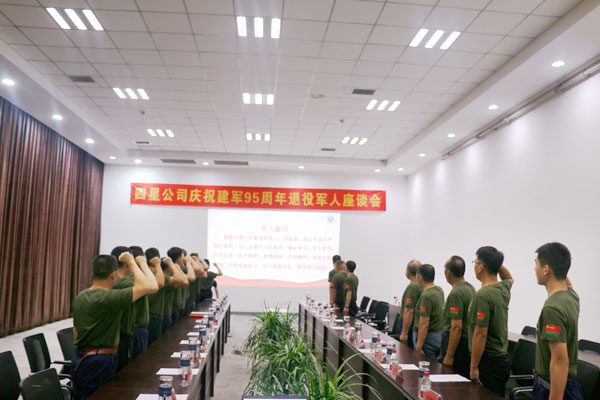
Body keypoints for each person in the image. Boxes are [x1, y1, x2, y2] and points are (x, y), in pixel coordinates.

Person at [71, 252, 158, 399]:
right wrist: (132, 262)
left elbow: (75, 331)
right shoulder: (110, 298)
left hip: (81, 357)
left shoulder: (80, 296)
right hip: (99, 361)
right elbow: (150, 286)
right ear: (113, 275)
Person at [533, 243, 583, 400]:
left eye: (536, 264)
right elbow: (566, 282)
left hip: (553, 387)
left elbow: (560, 361)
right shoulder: (571, 296)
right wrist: (561, 264)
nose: (534, 269)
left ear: (546, 269)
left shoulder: (553, 309)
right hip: (567, 385)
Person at [468, 246, 514, 397]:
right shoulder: (503, 288)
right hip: (501, 359)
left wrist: (474, 367)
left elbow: (480, 333)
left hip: (488, 361)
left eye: (475, 262)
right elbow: (509, 278)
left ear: (481, 267)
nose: (474, 266)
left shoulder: (483, 295)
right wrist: (496, 264)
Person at [441, 256, 476, 378]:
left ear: (448, 272)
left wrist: (449, 355)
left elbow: (456, 327)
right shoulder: (470, 288)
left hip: (457, 345)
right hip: (466, 343)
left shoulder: (456, 293)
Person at [109, 246, 135, 371]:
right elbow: (152, 285)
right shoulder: (122, 282)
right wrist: (134, 263)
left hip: (121, 332)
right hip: (119, 334)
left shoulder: (122, 280)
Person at [413, 264, 444, 359]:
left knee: (426, 365)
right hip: (438, 336)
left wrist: (419, 347)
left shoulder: (426, 296)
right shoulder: (439, 290)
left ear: (420, 277)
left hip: (427, 339)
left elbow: (424, 324)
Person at [128, 246, 153, 359]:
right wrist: (143, 264)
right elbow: (153, 286)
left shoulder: (140, 276)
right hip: (136, 327)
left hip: (140, 327)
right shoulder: (134, 278)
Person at [399, 260, 423, 349]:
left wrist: (404, 333)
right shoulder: (420, 284)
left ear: (408, 272)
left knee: (406, 353)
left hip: (409, 326)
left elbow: (409, 311)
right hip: (414, 325)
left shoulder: (413, 286)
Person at [166, 247, 193, 322]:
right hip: (172, 305)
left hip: (176, 305)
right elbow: (191, 278)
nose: (183, 259)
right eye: (182, 257)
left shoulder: (177, 267)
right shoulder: (173, 268)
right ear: (178, 258)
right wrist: (188, 262)